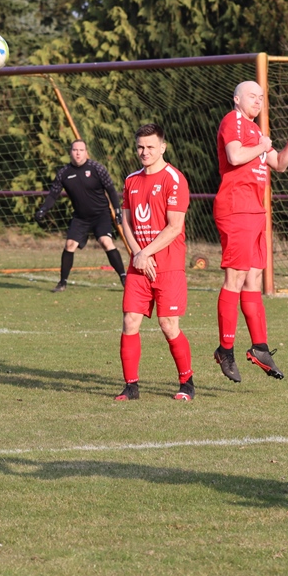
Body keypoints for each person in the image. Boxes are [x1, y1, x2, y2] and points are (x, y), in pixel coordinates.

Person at [212, 80, 288, 382]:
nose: (258, 101)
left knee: (253, 279)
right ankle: (225, 349)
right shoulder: (233, 121)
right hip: (236, 207)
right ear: (237, 99)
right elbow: (235, 156)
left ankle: (260, 348)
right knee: (236, 278)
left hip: (255, 211)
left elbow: (279, 163)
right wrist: (263, 146)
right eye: (252, 96)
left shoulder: (255, 131)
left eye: (261, 97)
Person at [115, 123, 194, 402]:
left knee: (168, 324)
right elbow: (125, 222)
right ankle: (131, 387)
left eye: (150, 147)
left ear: (163, 147)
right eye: (140, 147)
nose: (144, 152)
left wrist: (145, 253)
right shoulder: (131, 180)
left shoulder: (175, 179)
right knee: (130, 321)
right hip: (139, 264)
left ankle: (187, 383)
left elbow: (174, 227)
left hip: (168, 265)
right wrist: (139, 254)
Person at [34, 140, 127, 291]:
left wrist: (117, 210)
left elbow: (110, 190)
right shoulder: (64, 173)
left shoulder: (97, 168)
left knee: (106, 242)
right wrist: (43, 210)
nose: (78, 153)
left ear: (86, 152)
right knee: (70, 245)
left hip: (100, 214)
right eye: (75, 150)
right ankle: (62, 283)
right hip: (81, 217)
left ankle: (124, 277)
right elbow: (53, 195)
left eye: (81, 150)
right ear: (70, 152)